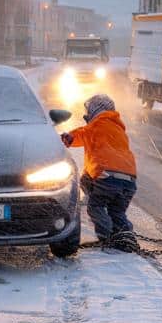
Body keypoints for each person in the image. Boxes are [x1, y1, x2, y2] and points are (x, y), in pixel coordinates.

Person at [61, 93, 139, 252]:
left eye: (88, 111)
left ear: (94, 110)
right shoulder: (118, 128)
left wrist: (67, 138)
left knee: (95, 206)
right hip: (129, 181)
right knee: (117, 211)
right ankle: (125, 235)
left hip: (108, 177)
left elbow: (80, 134)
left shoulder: (96, 125)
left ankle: (107, 236)